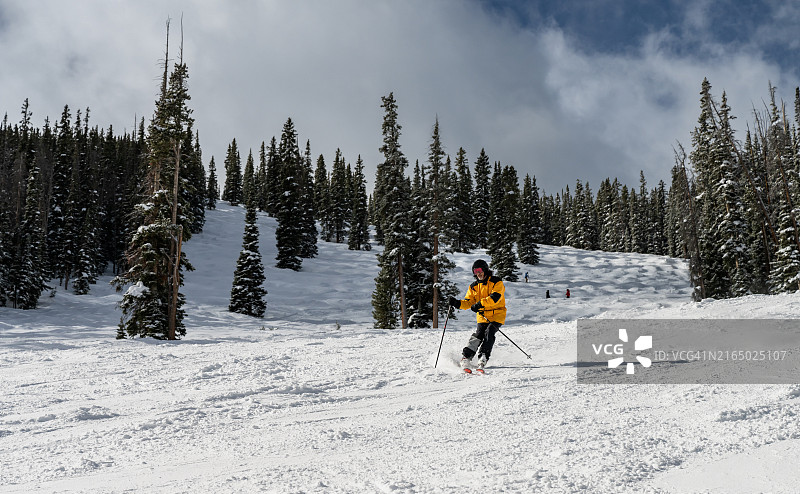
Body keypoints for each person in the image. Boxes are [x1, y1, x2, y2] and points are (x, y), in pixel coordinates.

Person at [449, 259, 506, 370]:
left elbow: (495, 298)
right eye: (475, 271)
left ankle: (483, 356)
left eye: (480, 270)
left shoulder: (496, 282)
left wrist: (479, 304)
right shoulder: (473, 286)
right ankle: (466, 357)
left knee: (489, 333)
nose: (478, 273)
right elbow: (469, 302)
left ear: (485, 270)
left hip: (497, 314)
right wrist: (457, 303)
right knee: (479, 335)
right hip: (482, 316)